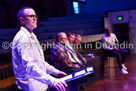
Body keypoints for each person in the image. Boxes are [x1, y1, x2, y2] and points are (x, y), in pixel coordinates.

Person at [12, 7, 67, 91]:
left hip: (40, 84)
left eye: (35, 16)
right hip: (31, 87)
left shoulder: (32, 36)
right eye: (31, 16)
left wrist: (56, 72)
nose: (35, 19)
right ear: (22, 20)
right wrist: (52, 80)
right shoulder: (23, 38)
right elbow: (30, 66)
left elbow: (40, 62)